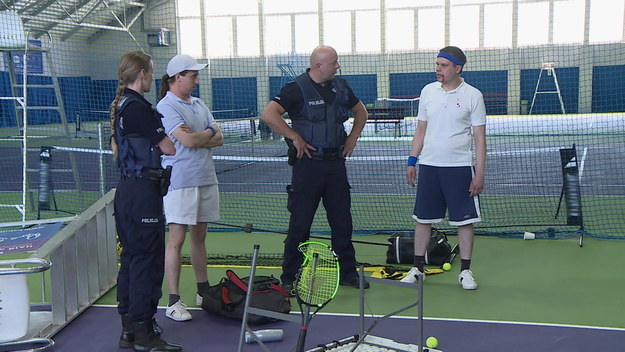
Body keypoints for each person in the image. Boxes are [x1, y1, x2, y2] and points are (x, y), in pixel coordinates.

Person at [260, 45, 369, 293]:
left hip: (336, 165)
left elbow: (361, 111)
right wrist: (294, 137)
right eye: (334, 63)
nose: (338, 66)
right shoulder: (295, 88)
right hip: (308, 166)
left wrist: (352, 137)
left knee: (342, 221)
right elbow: (269, 114)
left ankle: (348, 273)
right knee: (300, 223)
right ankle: (290, 277)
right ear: (319, 66)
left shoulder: (341, 86)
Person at [111, 50, 182, 351]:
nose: (154, 78)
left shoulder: (122, 105)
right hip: (141, 195)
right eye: (152, 72)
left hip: (128, 192)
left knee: (131, 258)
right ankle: (143, 332)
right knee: (146, 261)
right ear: (142, 74)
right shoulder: (138, 108)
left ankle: (130, 327)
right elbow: (169, 148)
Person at [401, 46, 487, 290]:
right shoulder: (428, 91)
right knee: (422, 219)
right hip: (429, 166)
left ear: (457, 68)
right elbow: (421, 129)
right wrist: (412, 160)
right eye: (437, 64)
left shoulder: (473, 95)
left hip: (459, 168)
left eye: (443, 65)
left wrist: (479, 173)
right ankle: (418, 269)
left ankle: (466, 272)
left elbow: (480, 138)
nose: (438, 69)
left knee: (464, 222)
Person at [156, 54, 224, 321]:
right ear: (177, 77)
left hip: (206, 177)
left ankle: (202, 291)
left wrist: (203, 134)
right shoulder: (166, 106)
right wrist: (205, 133)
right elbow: (190, 140)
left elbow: (219, 137)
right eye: (193, 75)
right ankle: (173, 301)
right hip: (180, 180)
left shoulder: (198, 103)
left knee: (199, 237)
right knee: (176, 240)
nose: (197, 80)